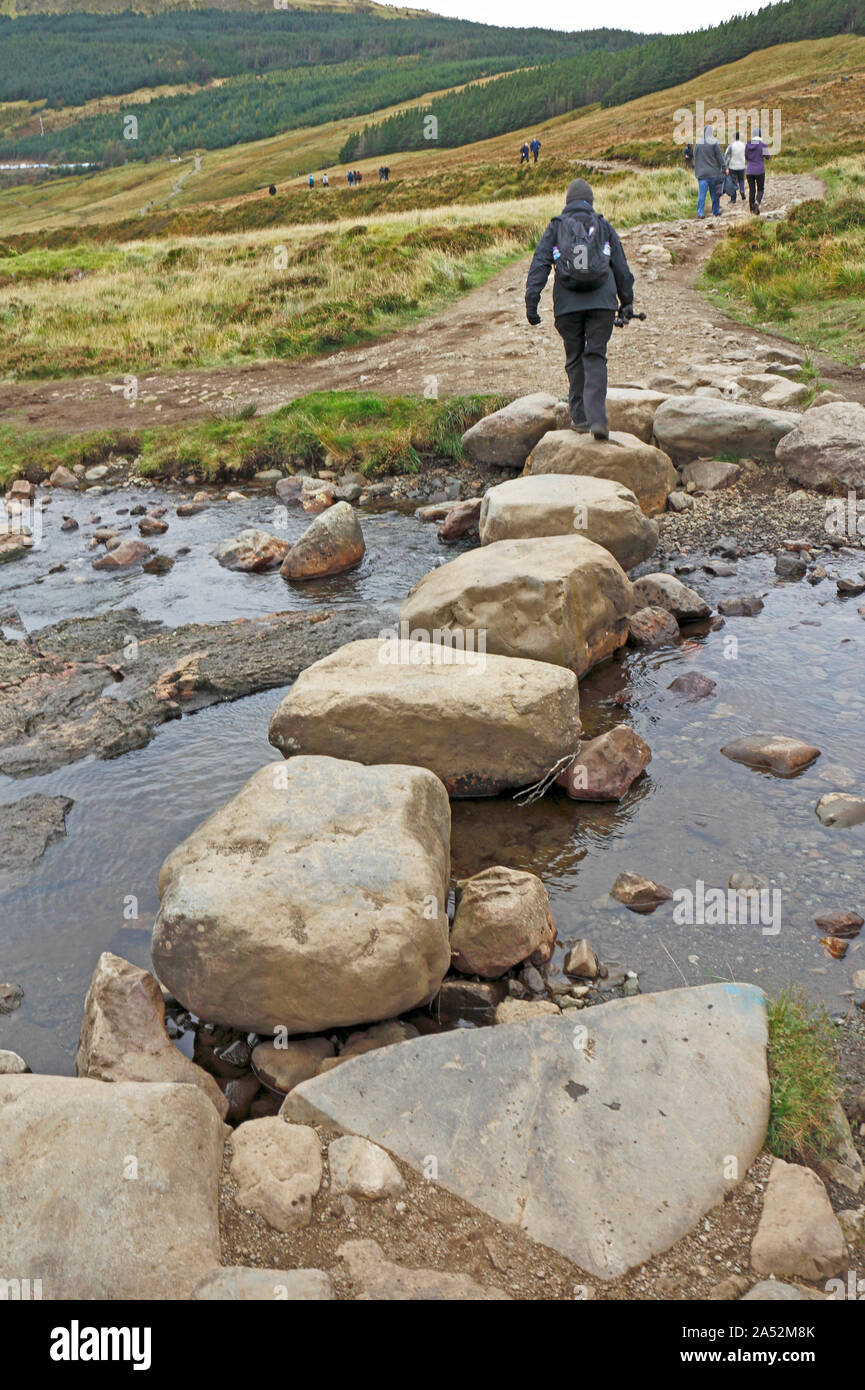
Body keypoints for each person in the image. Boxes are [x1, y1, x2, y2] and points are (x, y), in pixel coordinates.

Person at [525, 177, 635, 441]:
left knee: (575, 357)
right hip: (602, 304)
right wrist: (627, 301)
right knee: (595, 356)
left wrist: (532, 302)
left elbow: (539, 263)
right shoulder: (603, 225)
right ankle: (597, 418)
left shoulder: (556, 227)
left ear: (567, 202)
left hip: (568, 307)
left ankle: (581, 418)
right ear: (590, 201)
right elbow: (621, 266)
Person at [693, 123, 725, 218]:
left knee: (702, 195)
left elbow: (695, 156)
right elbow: (720, 157)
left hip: (701, 174)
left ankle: (700, 213)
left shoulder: (698, 144)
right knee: (714, 194)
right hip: (713, 173)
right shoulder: (714, 142)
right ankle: (715, 211)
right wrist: (724, 168)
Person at [745, 129, 770, 214]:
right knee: (760, 189)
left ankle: (751, 210)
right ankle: (757, 202)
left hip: (749, 170)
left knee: (752, 190)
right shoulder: (763, 144)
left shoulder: (747, 144)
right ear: (760, 135)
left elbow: (746, 157)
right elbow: (767, 157)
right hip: (760, 170)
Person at [724, 129, 746, 203]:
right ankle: (742, 190)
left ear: (733, 138)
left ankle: (733, 199)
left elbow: (727, 156)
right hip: (742, 166)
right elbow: (747, 155)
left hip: (733, 166)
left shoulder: (731, 145)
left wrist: (725, 167)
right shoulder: (744, 145)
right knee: (741, 179)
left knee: (733, 182)